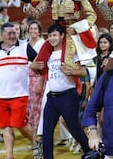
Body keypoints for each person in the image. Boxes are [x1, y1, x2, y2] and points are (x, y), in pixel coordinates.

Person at [30, 24, 91, 159]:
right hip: (52, 96)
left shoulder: (70, 51)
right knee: (47, 131)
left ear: (62, 36)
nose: (52, 38)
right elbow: (39, 70)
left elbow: (83, 71)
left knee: (74, 129)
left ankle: (89, 151)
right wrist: (33, 67)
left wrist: (69, 71)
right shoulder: (48, 53)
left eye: (55, 35)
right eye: (50, 36)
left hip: (68, 96)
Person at [21, 0, 97, 73]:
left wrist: (78, 29)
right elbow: (37, 13)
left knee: (68, 63)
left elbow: (92, 15)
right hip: (56, 32)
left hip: (72, 32)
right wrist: (27, 3)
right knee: (39, 60)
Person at [0, 22, 41, 159]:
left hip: (20, 94)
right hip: (1, 96)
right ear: (2, 35)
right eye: (9, 33)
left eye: (14, 33)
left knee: (19, 123)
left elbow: (39, 62)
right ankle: (9, 156)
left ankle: (35, 142)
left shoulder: (24, 46)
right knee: (5, 126)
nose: (12, 35)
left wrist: (36, 70)